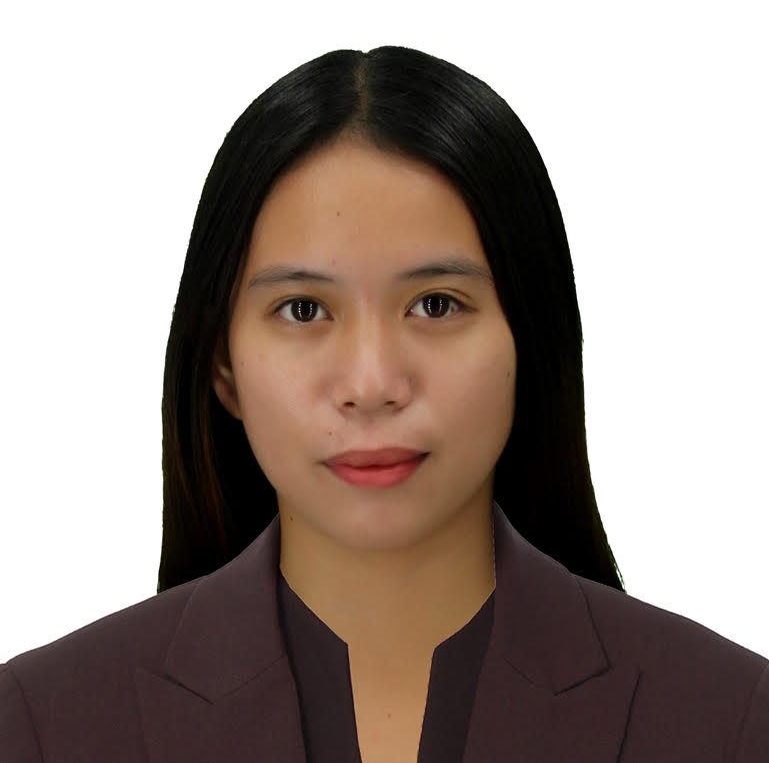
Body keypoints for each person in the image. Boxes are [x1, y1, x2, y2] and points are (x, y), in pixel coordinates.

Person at [1, 45, 766, 763]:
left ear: (530, 342)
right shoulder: (39, 724)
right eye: (303, 310)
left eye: (436, 304)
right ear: (222, 366)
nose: (371, 384)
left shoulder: (733, 720)